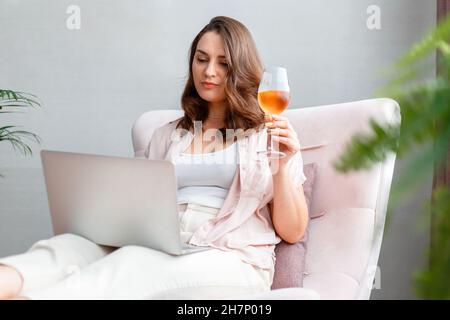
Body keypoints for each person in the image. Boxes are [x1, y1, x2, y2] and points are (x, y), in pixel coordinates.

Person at [0, 16, 309, 300]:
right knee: (67, 248)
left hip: (228, 255)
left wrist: (281, 169)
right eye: (201, 60)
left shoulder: (267, 134)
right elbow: (142, 202)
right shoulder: (166, 135)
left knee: (131, 263)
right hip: (162, 240)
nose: (209, 72)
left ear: (240, 68)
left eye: (223, 63)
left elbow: (293, 230)